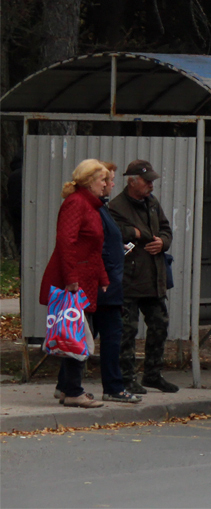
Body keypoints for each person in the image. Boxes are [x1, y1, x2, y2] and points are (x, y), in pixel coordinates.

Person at [38, 158, 110, 408]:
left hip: (85, 281)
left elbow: (93, 248)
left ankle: (64, 387)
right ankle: (73, 392)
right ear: (90, 181)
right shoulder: (76, 204)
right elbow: (66, 243)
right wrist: (71, 279)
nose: (106, 184)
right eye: (102, 179)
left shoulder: (91, 206)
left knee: (75, 331)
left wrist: (102, 278)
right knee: (76, 335)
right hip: (74, 283)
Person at [108, 159, 177, 394]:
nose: (151, 186)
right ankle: (127, 378)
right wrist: (138, 233)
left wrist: (162, 242)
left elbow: (166, 228)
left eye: (152, 181)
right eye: (147, 182)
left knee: (160, 325)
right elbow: (115, 232)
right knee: (127, 332)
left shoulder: (152, 203)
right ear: (132, 181)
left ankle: (153, 374)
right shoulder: (117, 206)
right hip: (129, 278)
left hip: (153, 276)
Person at [95, 163, 140, 403]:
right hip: (105, 283)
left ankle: (67, 384)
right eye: (108, 180)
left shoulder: (100, 208)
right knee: (112, 335)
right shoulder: (93, 208)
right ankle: (113, 386)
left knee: (87, 332)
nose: (111, 184)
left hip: (107, 279)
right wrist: (108, 273)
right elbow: (95, 246)